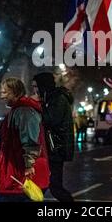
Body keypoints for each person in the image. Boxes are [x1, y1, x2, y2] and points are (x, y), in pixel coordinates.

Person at [0, 77, 50, 202]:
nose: (1, 96)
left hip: (20, 172)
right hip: (15, 171)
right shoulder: (19, 110)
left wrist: (29, 165)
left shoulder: (24, 111)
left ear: (15, 92)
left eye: (4, 92)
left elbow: (31, 140)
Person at [33, 72, 74, 202]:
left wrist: (37, 105)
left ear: (43, 86)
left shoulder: (58, 99)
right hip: (51, 148)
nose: (34, 89)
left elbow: (51, 119)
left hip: (55, 148)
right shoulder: (50, 98)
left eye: (36, 86)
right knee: (44, 184)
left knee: (54, 187)